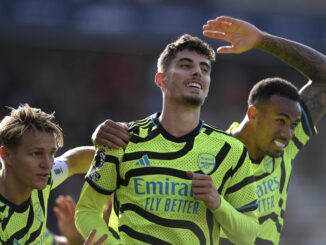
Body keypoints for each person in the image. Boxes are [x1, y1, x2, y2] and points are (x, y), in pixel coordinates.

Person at [93, 16, 326, 245]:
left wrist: (262, 40)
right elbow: (126, 163)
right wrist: (102, 139)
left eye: (292, 124)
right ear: (254, 114)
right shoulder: (213, 153)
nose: (287, 132)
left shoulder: (285, 146)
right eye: (280, 120)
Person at [75, 34, 259, 245]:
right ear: (161, 79)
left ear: (208, 84)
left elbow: (248, 235)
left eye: (204, 69)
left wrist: (218, 203)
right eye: (185, 65)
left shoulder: (230, 150)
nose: (198, 72)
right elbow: (87, 210)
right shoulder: (122, 138)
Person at [0, 104, 107, 244]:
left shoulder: (43, 178)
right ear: (6, 155)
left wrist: (126, 161)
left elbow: (74, 161)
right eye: (36, 153)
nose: (48, 164)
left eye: (51, 153)